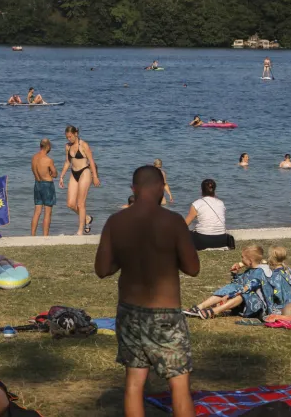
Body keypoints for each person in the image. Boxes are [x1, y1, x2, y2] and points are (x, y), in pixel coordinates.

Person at [95, 166, 199, 417]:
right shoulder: (172, 221)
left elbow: (102, 269)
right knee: (179, 385)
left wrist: (128, 256)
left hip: (129, 312)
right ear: (162, 188)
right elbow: (192, 268)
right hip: (166, 316)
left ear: (134, 189)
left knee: (133, 383)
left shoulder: (115, 221)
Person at [185, 245, 272, 320]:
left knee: (243, 294)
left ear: (250, 261)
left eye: (242, 257)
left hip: (257, 306)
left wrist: (229, 295)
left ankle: (215, 311)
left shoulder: (260, 272)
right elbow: (237, 284)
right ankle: (200, 307)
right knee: (232, 288)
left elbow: (247, 288)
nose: (241, 259)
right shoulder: (250, 270)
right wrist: (234, 274)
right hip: (245, 303)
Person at [59, 126, 100, 235]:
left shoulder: (83, 145)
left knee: (81, 203)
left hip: (84, 172)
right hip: (73, 173)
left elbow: (91, 160)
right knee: (70, 204)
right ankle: (87, 218)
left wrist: (95, 176)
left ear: (75, 133)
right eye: (67, 137)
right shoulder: (67, 147)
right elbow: (67, 162)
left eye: (70, 136)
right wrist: (62, 176)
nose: (69, 139)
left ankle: (80, 231)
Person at [184, 179, 228, 251]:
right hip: (221, 240)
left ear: (201, 190)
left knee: (185, 233)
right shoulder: (221, 203)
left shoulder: (197, 204)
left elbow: (185, 224)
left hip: (204, 241)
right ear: (214, 190)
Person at [30, 139, 57, 237]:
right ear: (48, 147)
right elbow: (55, 174)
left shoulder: (34, 157)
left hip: (37, 184)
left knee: (37, 212)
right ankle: (45, 236)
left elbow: (34, 170)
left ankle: (32, 235)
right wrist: (51, 173)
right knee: (47, 213)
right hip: (47, 185)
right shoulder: (48, 160)